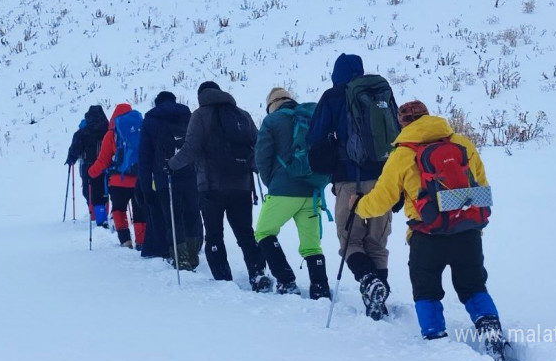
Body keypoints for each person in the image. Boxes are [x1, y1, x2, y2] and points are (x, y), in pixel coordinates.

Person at [351, 100, 507, 359]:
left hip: (427, 235)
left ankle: (437, 342)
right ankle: (490, 330)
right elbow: (481, 185)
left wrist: (359, 206)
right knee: (474, 287)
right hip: (467, 231)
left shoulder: (402, 153)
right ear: (428, 115)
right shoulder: (462, 143)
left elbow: (382, 200)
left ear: (402, 123)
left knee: (426, 291)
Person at [306, 53, 396, 319]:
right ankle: (378, 298)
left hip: (349, 181)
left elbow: (315, 139)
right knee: (377, 243)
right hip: (383, 181)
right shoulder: (381, 93)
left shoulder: (333, 97)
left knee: (350, 241)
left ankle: (369, 281)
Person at [168, 81, 270, 291]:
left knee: (214, 234)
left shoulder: (200, 115)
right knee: (245, 233)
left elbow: (190, 149)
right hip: (242, 185)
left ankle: (224, 280)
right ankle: (258, 275)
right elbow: (259, 144)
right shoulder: (242, 114)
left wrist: (170, 165)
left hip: (211, 186)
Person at [254, 88, 331, 299]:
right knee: (311, 244)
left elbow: (262, 157)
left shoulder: (272, 121)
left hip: (283, 191)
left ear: (272, 105)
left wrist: (272, 182)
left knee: (264, 232)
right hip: (313, 190)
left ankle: (286, 281)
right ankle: (320, 288)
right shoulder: (311, 117)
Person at [139, 91, 203, 269]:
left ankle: (179, 258)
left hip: (164, 177)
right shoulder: (188, 116)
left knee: (172, 218)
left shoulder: (151, 120)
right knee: (191, 215)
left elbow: (145, 157)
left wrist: (145, 187)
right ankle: (192, 256)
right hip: (190, 174)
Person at [88, 103, 146, 249]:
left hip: (118, 182)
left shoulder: (111, 134)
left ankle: (125, 240)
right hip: (139, 179)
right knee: (140, 210)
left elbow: (103, 161)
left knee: (119, 209)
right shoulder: (140, 130)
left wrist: (91, 172)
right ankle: (141, 241)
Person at [64, 106, 110, 226]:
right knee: (104, 190)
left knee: (89, 190)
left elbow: (75, 149)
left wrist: (71, 159)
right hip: (107, 165)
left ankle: (95, 215)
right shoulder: (109, 130)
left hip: (89, 166)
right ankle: (104, 213)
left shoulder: (83, 132)